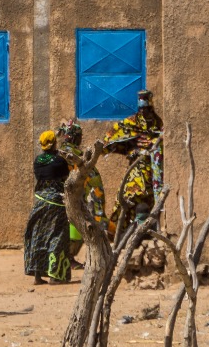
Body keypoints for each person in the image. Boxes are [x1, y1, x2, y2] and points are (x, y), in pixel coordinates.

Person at [102, 89, 164, 230]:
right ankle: (122, 230)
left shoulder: (157, 123)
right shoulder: (131, 122)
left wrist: (153, 143)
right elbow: (110, 137)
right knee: (128, 195)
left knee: (149, 199)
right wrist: (132, 145)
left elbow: (162, 138)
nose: (143, 112)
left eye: (146, 108)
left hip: (152, 170)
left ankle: (147, 229)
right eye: (141, 109)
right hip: (136, 167)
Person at [56, 118, 112, 261]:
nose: (81, 139)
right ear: (74, 137)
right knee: (83, 228)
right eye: (79, 136)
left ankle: (70, 258)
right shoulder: (70, 155)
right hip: (79, 197)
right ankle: (70, 258)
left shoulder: (66, 152)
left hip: (77, 196)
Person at [23, 130, 72, 284]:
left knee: (38, 236)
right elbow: (66, 177)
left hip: (40, 202)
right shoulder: (59, 161)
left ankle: (38, 275)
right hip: (57, 203)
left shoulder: (38, 161)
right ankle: (55, 275)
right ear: (54, 143)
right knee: (57, 236)